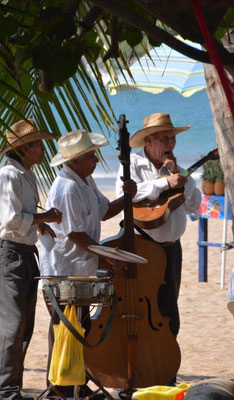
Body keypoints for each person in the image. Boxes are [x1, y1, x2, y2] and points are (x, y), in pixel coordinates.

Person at [39, 129, 137, 399]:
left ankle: (74, 382)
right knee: (63, 326)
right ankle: (58, 385)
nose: (96, 161)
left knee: (79, 324)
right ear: (75, 161)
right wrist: (108, 258)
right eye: (91, 157)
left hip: (80, 267)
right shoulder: (67, 188)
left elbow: (105, 211)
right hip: (64, 269)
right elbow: (75, 234)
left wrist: (127, 197)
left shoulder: (85, 181)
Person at [0, 119, 62, 400]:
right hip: (8, 254)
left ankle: (8, 388)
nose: (43, 149)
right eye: (39, 144)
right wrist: (45, 218)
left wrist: (39, 223)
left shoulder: (24, 174)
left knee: (22, 326)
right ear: (26, 148)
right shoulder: (10, 175)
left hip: (21, 253)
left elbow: (20, 217)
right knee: (12, 324)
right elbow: (11, 219)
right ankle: (4, 391)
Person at [116, 112, 202, 339]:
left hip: (172, 249)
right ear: (149, 141)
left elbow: (194, 206)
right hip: (143, 247)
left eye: (172, 138)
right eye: (164, 138)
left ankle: (165, 367)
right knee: (144, 308)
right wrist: (163, 182)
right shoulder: (132, 164)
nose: (170, 143)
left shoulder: (177, 169)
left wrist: (179, 178)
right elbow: (124, 195)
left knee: (169, 311)